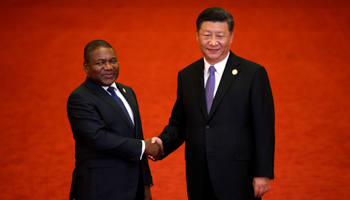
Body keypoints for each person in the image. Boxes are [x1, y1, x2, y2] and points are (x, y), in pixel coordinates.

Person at [151, 7, 275, 200]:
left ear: (231, 36)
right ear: (197, 36)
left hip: (238, 175)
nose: (213, 42)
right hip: (199, 175)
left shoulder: (253, 74)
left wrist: (263, 172)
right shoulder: (186, 75)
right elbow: (180, 122)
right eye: (207, 35)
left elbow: (264, 127)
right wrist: (162, 142)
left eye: (220, 35)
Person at [67, 40, 163, 200]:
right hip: (102, 188)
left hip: (134, 187)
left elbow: (137, 136)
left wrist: (146, 183)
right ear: (86, 67)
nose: (109, 67)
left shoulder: (127, 92)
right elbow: (98, 138)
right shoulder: (80, 98)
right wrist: (143, 147)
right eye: (100, 63)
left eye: (113, 61)